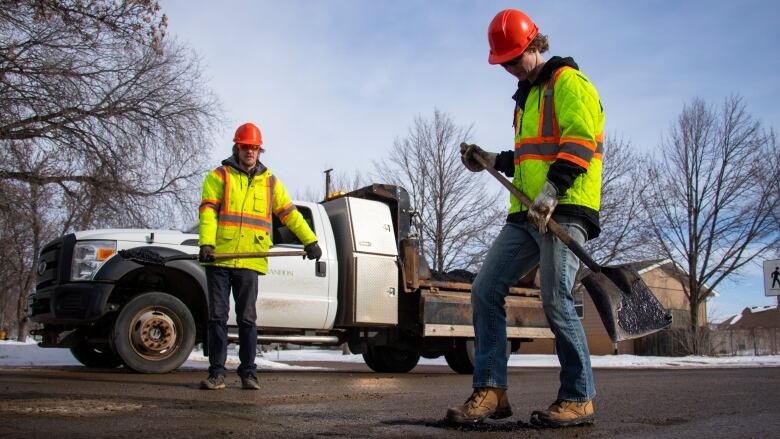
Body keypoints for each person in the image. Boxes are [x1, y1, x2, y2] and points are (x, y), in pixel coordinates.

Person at [447, 9, 605, 427]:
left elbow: (578, 143)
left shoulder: (568, 83)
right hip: (525, 213)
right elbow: (530, 157)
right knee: (485, 289)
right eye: (504, 63)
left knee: (555, 299)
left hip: (565, 207)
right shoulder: (526, 96)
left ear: (535, 45)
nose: (510, 69)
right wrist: (489, 160)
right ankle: (492, 390)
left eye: (515, 59)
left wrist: (552, 192)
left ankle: (578, 396)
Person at [198, 122, 322, 390]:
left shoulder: (270, 182)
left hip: (249, 260)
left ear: (259, 150)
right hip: (219, 257)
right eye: (246, 147)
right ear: (237, 147)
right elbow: (208, 212)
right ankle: (217, 373)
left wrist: (310, 240)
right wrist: (206, 242)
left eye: (255, 148)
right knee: (217, 318)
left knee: (247, 319)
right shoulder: (219, 176)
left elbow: (289, 213)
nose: (250, 152)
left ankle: (248, 373)